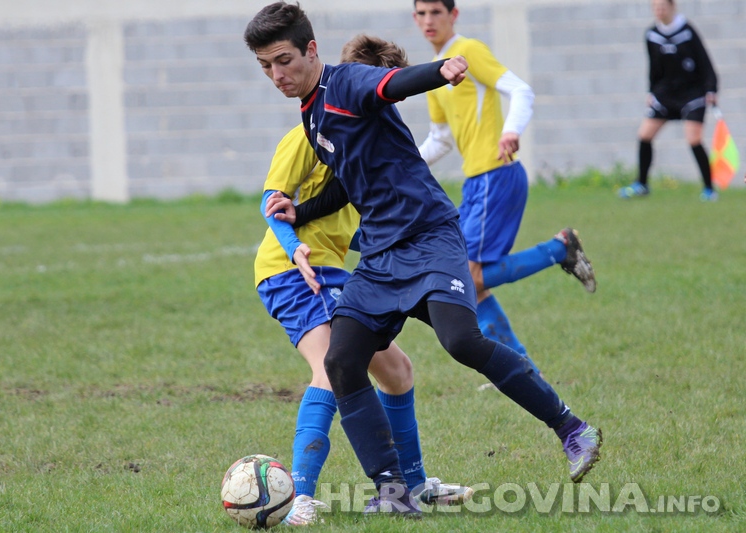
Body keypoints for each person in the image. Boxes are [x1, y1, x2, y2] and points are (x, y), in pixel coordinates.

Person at [244, 2, 603, 517]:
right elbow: (348, 182)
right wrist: (300, 210)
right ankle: (393, 492)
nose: (277, 75)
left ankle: (572, 429)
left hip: (429, 238)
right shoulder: (312, 111)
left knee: (461, 340)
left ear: (311, 50)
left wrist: (441, 72)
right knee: (342, 362)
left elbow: (390, 84)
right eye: (266, 67)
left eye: (283, 61)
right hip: (382, 256)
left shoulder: (345, 83)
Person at [254, 35, 471, 525]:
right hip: (291, 272)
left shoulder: (370, 139)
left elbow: (344, 217)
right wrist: (296, 249)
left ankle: (410, 487)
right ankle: (297, 498)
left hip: (333, 269)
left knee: (397, 372)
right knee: (332, 367)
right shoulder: (310, 129)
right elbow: (273, 205)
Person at [411, 0, 596, 374]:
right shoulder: (433, 75)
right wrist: (399, 164)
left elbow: (521, 90)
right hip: (478, 182)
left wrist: (511, 131)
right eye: (421, 13)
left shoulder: (469, 51)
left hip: (497, 175)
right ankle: (520, 365)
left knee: (467, 275)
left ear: (453, 15)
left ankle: (559, 249)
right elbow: (440, 139)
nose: (429, 20)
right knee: (472, 285)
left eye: (436, 12)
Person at [619, 0, 718, 201]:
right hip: (665, 95)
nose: (659, 10)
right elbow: (654, 68)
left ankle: (709, 189)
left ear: (673, 7)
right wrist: (651, 91)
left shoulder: (687, 31)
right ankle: (642, 185)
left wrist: (711, 89)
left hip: (692, 93)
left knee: (693, 138)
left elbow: (705, 62)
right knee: (644, 134)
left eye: (663, 6)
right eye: (655, 7)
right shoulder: (651, 35)